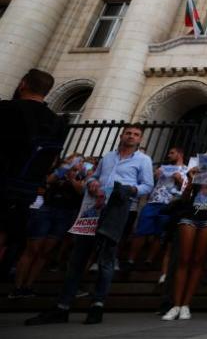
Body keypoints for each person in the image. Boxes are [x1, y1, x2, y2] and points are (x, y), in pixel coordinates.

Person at [26, 124, 153, 326]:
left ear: (140, 140)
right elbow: (94, 176)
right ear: (121, 135)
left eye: (136, 134)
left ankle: (97, 305)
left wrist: (129, 190)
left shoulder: (144, 160)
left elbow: (147, 185)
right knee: (78, 257)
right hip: (93, 207)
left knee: (106, 259)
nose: (131, 136)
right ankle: (62, 307)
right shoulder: (108, 157)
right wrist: (91, 182)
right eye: (128, 133)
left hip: (116, 210)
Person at [0, 69, 67, 270]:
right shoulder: (58, 122)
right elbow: (53, 159)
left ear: (23, 84)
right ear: (47, 91)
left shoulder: (7, 109)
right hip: (26, 191)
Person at [162, 141, 207, 321]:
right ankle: (176, 305)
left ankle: (186, 305)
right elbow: (185, 198)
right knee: (184, 259)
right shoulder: (196, 168)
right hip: (190, 215)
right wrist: (191, 180)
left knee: (199, 260)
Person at [10, 154, 89, 299]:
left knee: (45, 252)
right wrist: (65, 169)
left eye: (81, 161)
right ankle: (17, 287)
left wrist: (73, 177)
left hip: (66, 213)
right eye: (76, 160)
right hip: (47, 209)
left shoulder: (83, 176)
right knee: (32, 249)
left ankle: (28, 286)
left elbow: (81, 191)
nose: (79, 163)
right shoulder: (58, 171)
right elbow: (49, 181)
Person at [126, 147, 187, 270]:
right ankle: (130, 260)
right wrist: (155, 175)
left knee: (160, 233)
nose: (169, 155)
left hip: (170, 204)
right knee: (141, 231)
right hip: (153, 201)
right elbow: (149, 183)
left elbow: (187, 189)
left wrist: (179, 179)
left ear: (180, 154)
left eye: (172, 153)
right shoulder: (163, 168)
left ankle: (149, 260)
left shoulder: (187, 169)